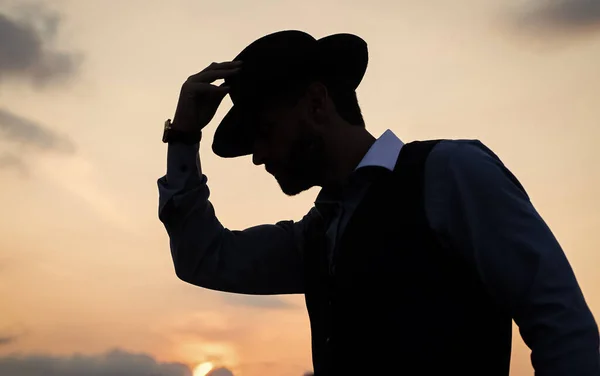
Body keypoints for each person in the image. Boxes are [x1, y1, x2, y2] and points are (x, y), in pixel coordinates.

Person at [157, 30, 599, 375]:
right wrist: (182, 137)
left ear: (316, 103)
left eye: (265, 131)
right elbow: (204, 258)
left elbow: (560, 324)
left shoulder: (449, 172)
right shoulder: (317, 236)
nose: (257, 156)